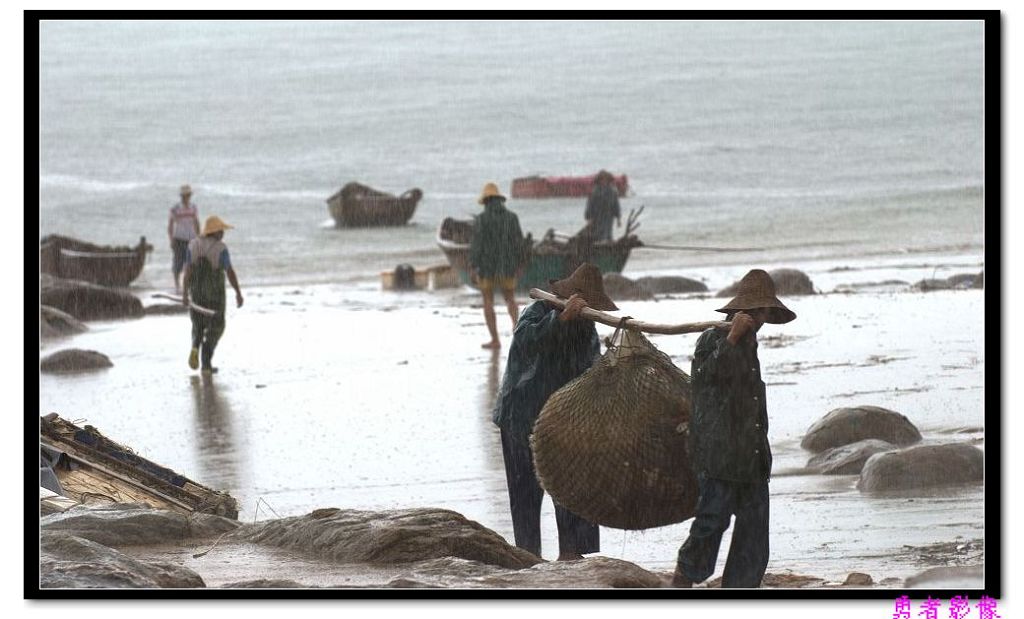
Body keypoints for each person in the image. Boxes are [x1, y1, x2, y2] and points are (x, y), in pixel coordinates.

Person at [671, 269, 796, 588]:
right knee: (708, 530)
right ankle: (679, 586)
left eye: (765, 313)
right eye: (761, 312)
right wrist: (731, 338)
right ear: (748, 311)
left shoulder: (751, 343)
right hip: (720, 459)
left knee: (753, 544)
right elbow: (707, 376)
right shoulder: (713, 338)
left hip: (751, 460)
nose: (763, 319)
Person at [492, 262, 617, 560]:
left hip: (562, 420)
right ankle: (528, 556)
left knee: (573, 489)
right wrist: (559, 321)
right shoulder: (536, 313)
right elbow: (527, 343)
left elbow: (590, 369)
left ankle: (572, 554)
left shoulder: (587, 326)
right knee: (525, 495)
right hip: (521, 417)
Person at [182, 215, 244, 374]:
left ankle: (195, 346)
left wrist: (184, 292)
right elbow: (229, 271)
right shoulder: (221, 248)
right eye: (221, 230)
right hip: (215, 296)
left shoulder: (193, 245)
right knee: (216, 326)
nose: (223, 233)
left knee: (198, 324)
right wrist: (238, 292)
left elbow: (188, 271)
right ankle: (206, 363)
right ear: (214, 232)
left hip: (196, 293)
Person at [469, 182, 525, 349]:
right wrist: (520, 264)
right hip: (508, 266)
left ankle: (495, 340)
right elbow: (519, 243)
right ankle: (519, 334)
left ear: (485, 201)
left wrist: (472, 265)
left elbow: (477, 245)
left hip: (487, 268)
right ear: (499, 200)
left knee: (488, 301)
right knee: (510, 299)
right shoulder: (512, 217)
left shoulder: (482, 219)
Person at [168, 184, 200, 292]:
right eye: (185, 195)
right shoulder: (175, 208)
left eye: (188, 195)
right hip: (179, 238)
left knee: (191, 263)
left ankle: (189, 285)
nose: (186, 197)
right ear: (182, 196)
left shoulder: (193, 207)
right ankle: (177, 285)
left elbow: (196, 223)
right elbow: (170, 225)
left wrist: (199, 237)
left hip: (191, 239)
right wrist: (171, 240)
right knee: (178, 263)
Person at [584, 170, 621, 242]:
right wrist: (589, 217)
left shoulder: (613, 191)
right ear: (599, 180)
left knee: (608, 231)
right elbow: (590, 204)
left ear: (608, 180)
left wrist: (618, 218)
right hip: (597, 215)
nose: (603, 181)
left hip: (608, 215)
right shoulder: (595, 191)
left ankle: (607, 241)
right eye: (602, 179)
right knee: (597, 232)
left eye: (605, 179)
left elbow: (616, 205)